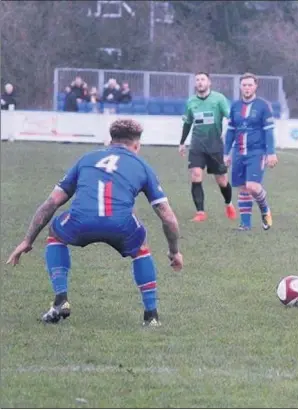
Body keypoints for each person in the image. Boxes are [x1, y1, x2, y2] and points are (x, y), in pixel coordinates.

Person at [5, 119, 183, 327]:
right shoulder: (142, 166)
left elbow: (51, 203)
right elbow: (167, 216)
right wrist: (174, 251)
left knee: (55, 232)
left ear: (110, 141)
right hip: (120, 225)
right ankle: (151, 315)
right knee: (141, 247)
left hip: (81, 221)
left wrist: (27, 240)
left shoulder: (87, 158)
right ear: (136, 146)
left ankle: (61, 300)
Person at [224, 72, 278, 231]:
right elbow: (230, 132)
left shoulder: (263, 106)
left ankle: (264, 208)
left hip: (257, 152)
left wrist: (271, 153)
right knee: (243, 188)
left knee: (253, 186)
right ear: (240, 87)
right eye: (244, 85)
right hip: (239, 152)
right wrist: (226, 153)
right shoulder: (235, 106)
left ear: (255, 86)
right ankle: (245, 225)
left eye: (250, 85)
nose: (247, 88)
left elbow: (269, 131)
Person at [179, 72, 236, 222]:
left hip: (215, 146)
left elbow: (231, 118)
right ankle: (200, 212)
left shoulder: (219, 99)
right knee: (196, 175)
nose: (199, 82)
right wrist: (182, 142)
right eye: (197, 80)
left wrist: (228, 134)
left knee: (222, 180)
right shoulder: (191, 102)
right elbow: (187, 123)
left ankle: (228, 203)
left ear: (209, 82)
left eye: (202, 79)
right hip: (197, 146)